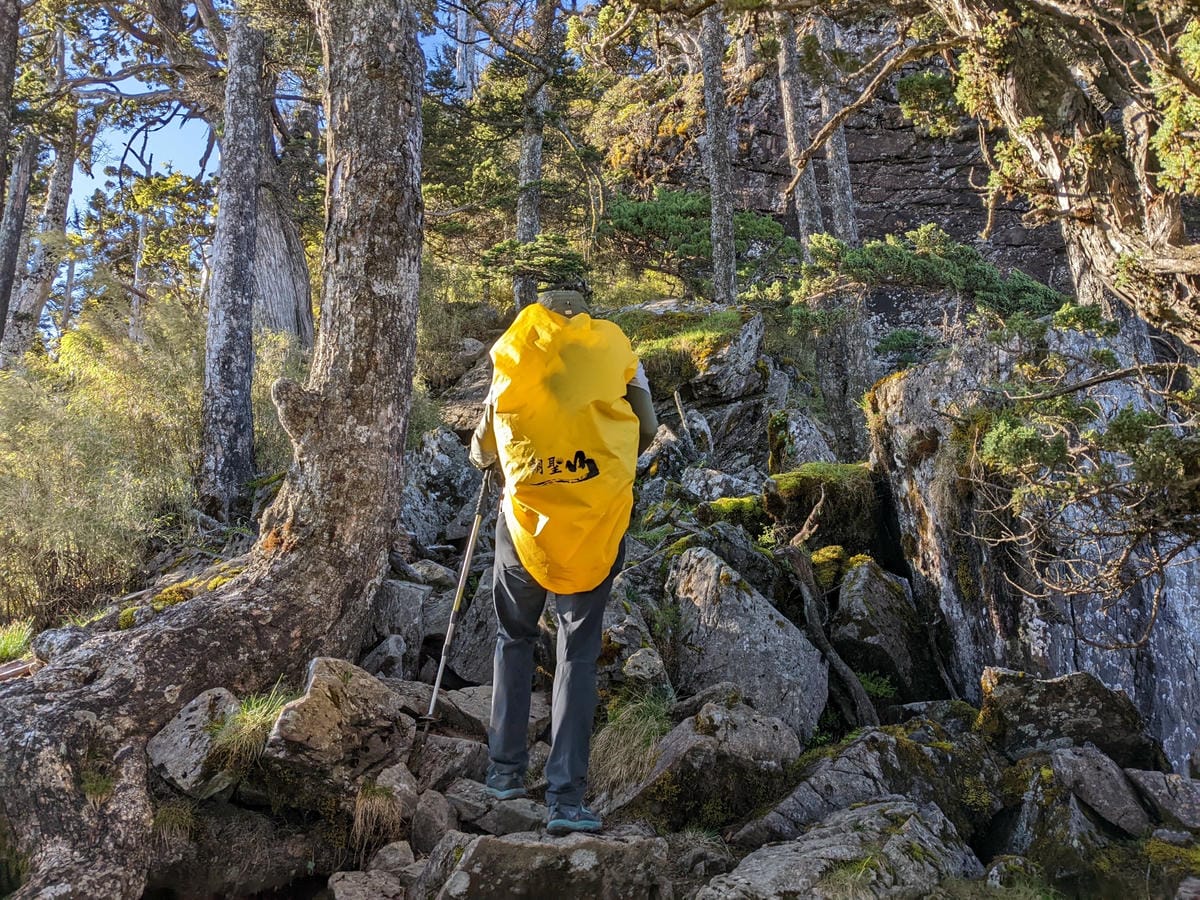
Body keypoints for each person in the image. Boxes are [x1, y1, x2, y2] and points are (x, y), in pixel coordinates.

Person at [469, 280, 657, 836]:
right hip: (592, 523)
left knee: (514, 636)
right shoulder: (616, 348)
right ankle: (566, 801)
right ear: (585, 313)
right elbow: (646, 427)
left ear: (541, 310)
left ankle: (503, 774)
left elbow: (484, 441)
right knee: (576, 650)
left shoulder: (516, 347)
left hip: (525, 525)